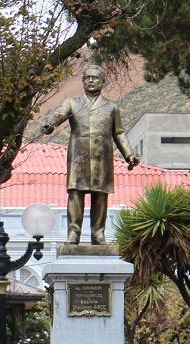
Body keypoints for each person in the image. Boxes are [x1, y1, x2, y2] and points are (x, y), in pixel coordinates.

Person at [41, 65, 139, 244]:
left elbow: (118, 133)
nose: (91, 80)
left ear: (103, 82)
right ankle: (73, 233)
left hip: (102, 158)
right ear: (83, 81)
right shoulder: (73, 103)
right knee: (76, 194)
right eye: (87, 78)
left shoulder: (111, 107)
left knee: (100, 195)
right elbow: (60, 114)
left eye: (95, 78)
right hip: (79, 157)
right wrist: (50, 123)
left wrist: (129, 155)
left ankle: (98, 233)